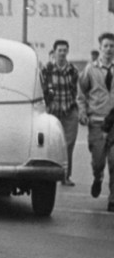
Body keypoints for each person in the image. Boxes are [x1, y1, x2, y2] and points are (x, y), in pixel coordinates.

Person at [77, 32, 114, 208]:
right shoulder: (90, 70)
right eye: (106, 46)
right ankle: (97, 176)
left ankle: (113, 198)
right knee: (99, 161)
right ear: (100, 48)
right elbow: (81, 92)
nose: (109, 49)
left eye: (112, 46)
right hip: (97, 121)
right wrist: (83, 112)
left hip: (113, 121)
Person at [41, 40, 80, 186]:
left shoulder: (73, 70)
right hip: (53, 112)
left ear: (67, 52)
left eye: (65, 50)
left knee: (68, 144)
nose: (62, 53)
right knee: (50, 144)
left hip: (69, 110)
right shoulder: (47, 69)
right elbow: (43, 89)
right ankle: (48, 175)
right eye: (60, 50)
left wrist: (76, 107)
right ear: (54, 51)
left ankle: (65, 175)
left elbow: (76, 90)